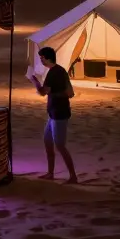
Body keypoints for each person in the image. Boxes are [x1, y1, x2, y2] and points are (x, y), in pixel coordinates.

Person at [29, 46, 78, 183]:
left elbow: (43, 92)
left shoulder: (53, 73)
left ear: (46, 58)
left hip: (58, 113)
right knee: (48, 142)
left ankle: (73, 176)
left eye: (41, 58)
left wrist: (35, 82)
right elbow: (70, 93)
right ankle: (50, 173)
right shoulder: (61, 71)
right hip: (54, 113)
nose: (41, 61)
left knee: (60, 145)